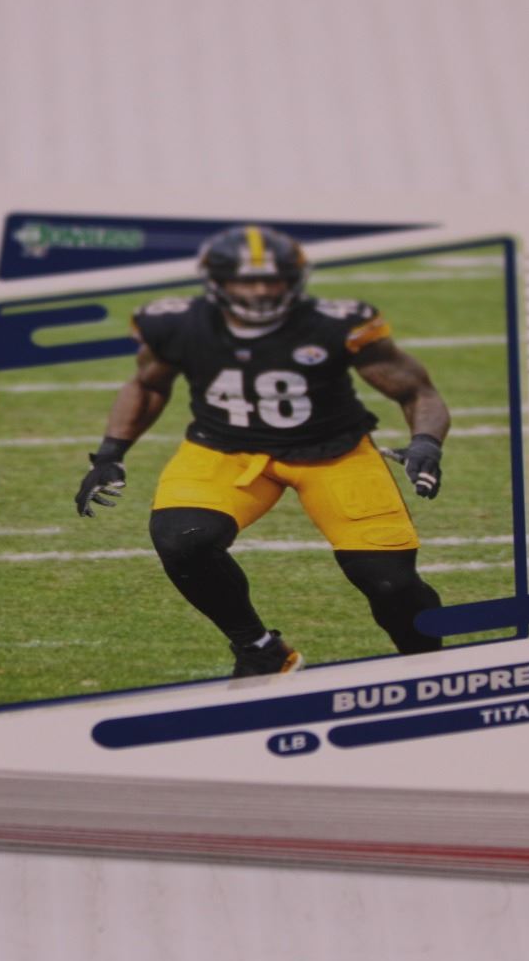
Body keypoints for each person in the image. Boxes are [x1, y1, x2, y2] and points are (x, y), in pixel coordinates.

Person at [74, 225, 451, 676]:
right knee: (181, 539)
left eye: (271, 279)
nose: (259, 291)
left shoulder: (336, 324)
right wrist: (111, 453)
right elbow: (147, 386)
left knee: (390, 584)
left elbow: (416, 391)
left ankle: (428, 672)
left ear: (294, 278)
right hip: (225, 450)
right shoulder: (176, 323)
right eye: (246, 280)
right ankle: (259, 649)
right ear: (217, 281)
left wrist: (426, 442)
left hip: (333, 453)